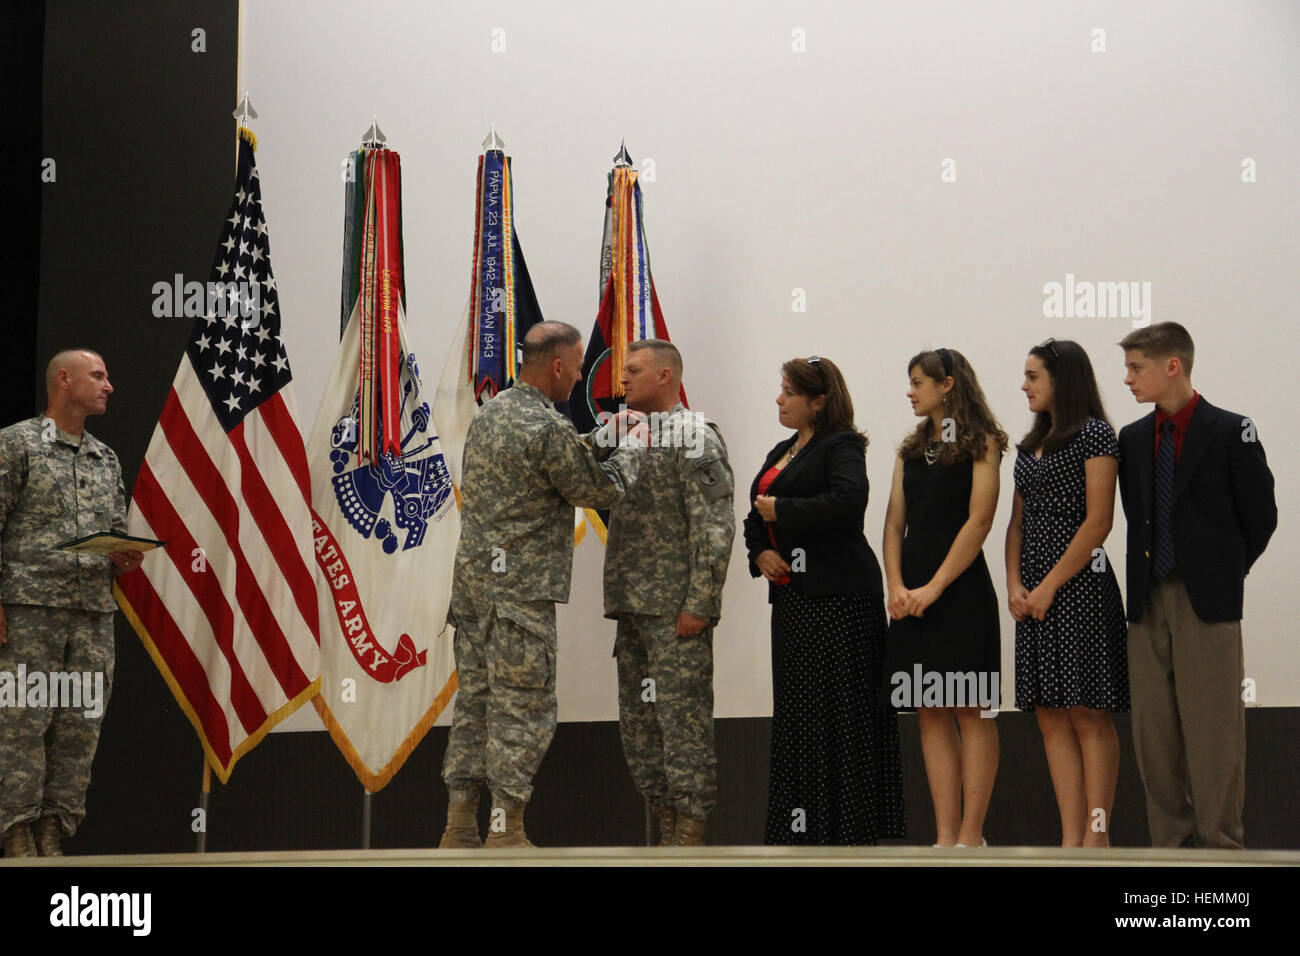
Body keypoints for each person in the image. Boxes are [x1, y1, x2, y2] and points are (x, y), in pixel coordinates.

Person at [438, 321, 648, 849]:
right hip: (520, 597)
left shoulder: (494, 416)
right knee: (521, 710)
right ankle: (505, 834)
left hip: (474, 594)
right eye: (578, 368)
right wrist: (633, 449)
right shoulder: (546, 428)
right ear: (557, 366)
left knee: (475, 706)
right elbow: (597, 488)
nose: (580, 378)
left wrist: (605, 435)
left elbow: (553, 458)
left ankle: (458, 827)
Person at [1116, 323, 1275, 849]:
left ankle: (1222, 848)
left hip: (1207, 601)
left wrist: (1223, 570)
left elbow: (1261, 517)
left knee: (1214, 736)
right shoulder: (1134, 438)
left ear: (1172, 366)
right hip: (1145, 602)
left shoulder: (1231, 430)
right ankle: (1171, 849)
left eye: (1136, 367)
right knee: (1154, 738)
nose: (1128, 379)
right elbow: (1138, 517)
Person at [744, 356, 904, 845]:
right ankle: (804, 832)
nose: (779, 399)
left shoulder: (842, 445)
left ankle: (852, 833)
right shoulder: (782, 450)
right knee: (799, 718)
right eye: (781, 389)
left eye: (790, 392)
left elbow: (848, 501)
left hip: (842, 601)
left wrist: (784, 511)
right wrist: (762, 554)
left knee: (846, 717)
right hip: (794, 602)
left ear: (819, 401)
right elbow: (754, 517)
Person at [0, 350, 142, 859]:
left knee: (79, 726)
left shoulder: (106, 458)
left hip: (91, 613)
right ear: (64, 380)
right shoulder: (16, 444)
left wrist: (127, 555)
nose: (109, 386)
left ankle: (52, 830)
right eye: (98, 376)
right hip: (29, 609)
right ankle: (15, 829)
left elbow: (117, 534)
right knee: (23, 718)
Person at [601, 339, 734, 847]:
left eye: (633, 371)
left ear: (665, 376)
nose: (623, 380)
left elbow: (715, 528)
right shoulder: (626, 434)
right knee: (640, 729)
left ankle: (691, 834)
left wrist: (700, 603)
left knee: (683, 726)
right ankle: (665, 828)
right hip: (632, 609)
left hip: (675, 611)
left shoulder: (695, 436)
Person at [1006, 338, 1128, 848]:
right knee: (1050, 713)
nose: (1024, 385)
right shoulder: (1028, 443)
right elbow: (1015, 525)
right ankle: (1070, 838)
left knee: (1087, 712)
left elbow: (1098, 521)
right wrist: (1015, 586)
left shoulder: (1096, 435)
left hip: (1079, 588)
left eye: (1034, 375)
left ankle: (1097, 838)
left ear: (1063, 378)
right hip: (1032, 593)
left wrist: (1049, 586)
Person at [882, 348, 1006, 848]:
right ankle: (945, 836)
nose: (910, 392)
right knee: (930, 711)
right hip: (910, 595)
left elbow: (979, 522)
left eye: (918, 382)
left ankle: (972, 835)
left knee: (969, 708)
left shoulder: (983, 443)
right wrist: (895, 584)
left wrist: (934, 587)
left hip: (960, 593)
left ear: (947, 384)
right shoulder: (910, 449)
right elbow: (893, 523)